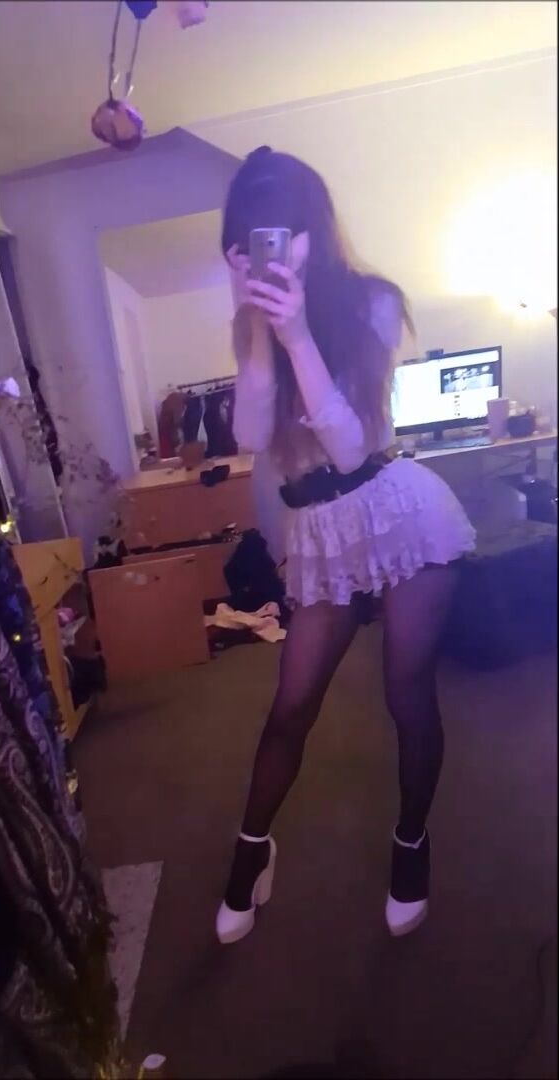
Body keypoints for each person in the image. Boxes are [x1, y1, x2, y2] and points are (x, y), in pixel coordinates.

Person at [215, 147, 476, 944]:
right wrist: (261, 328)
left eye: (283, 235)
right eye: (251, 241)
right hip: (319, 532)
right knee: (291, 704)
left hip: (398, 513)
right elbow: (251, 434)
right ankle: (251, 851)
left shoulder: (372, 302)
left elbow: (353, 446)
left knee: (406, 692)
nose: (272, 254)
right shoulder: (250, 321)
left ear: (313, 232)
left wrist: (298, 335)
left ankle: (411, 840)